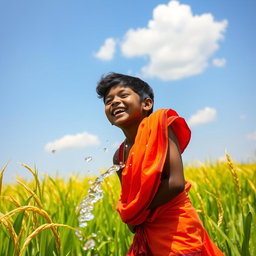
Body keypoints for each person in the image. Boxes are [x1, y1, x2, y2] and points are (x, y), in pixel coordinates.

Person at [96, 72, 224, 256]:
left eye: (123, 95)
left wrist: (134, 214)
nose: (114, 102)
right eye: (108, 101)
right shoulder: (120, 156)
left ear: (146, 104)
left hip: (177, 231)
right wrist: (133, 215)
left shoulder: (161, 126)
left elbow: (176, 183)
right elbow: (129, 200)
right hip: (147, 234)